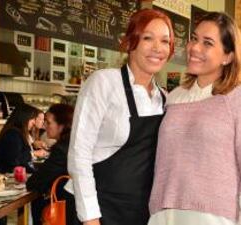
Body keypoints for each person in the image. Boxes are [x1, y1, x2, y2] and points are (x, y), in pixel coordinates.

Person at [148, 12, 241, 225]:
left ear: (227, 56)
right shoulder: (174, 98)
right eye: (194, 38)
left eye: (208, 43)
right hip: (164, 214)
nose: (194, 47)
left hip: (212, 218)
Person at [66, 8, 174, 225]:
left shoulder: (164, 98)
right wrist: (90, 218)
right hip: (98, 208)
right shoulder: (103, 83)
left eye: (165, 41)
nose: (157, 48)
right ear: (130, 42)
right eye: (147, 38)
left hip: (140, 212)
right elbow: (79, 153)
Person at [26, 104, 74, 225]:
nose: (44, 125)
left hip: (64, 209)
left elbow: (35, 182)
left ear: (62, 125)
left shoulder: (62, 149)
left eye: (48, 122)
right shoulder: (75, 143)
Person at [0, 103, 39, 173]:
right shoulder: (12, 135)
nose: (34, 122)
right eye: (32, 118)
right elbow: (14, 160)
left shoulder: (16, 133)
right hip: (13, 177)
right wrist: (31, 154)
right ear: (24, 117)